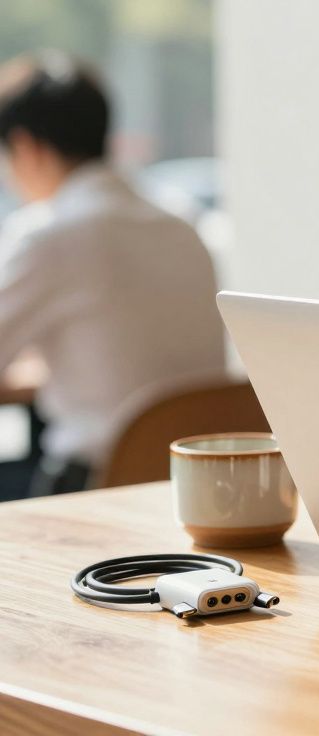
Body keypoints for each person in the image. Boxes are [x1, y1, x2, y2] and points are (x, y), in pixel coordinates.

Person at [0, 52, 226, 495]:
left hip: (100, 483)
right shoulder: (183, 225)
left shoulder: (51, 235)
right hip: (196, 483)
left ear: (26, 147)